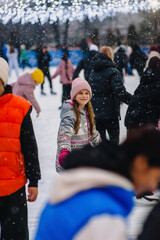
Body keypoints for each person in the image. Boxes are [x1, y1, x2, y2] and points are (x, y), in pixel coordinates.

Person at [35, 127, 160, 240]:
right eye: (156, 178)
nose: (154, 188)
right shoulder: (105, 215)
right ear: (141, 163)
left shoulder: (83, 191)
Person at [0, 57, 41, 240]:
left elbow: (30, 147)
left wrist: (34, 180)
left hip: (13, 185)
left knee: (15, 235)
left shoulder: (19, 107)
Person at [56, 77, 101, 172]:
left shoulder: (88, 111)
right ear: (74, 96)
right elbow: (64, 133)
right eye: (80, 93)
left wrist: (103, 147)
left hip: (83, 158)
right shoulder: (70, 112)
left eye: (86, 93)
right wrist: (64, 152)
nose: (84, 96)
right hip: (70, 159)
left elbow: (93, 133)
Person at [88, 46, 132, 143]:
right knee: (114, 141)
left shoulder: (93, 71)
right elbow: (120, 91)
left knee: (100, 142)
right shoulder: (113, 71)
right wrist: (133, 101)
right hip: (110, 112)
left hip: (96, 111)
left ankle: (102, 157)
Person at [125, 56, 160, 130]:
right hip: (152, 120)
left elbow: (135, 101)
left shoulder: (144, 81)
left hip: (141, 120)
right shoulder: (156, 82)